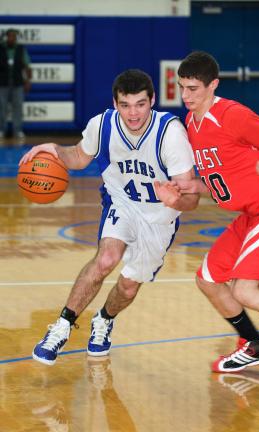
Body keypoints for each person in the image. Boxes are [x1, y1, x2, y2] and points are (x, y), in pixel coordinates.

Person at [19, 69, 198, 366]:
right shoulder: (102, 125)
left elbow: (192, 199)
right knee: (106, 259)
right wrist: (54, 150)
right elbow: (78, 156)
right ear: (115, 103)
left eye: (140, 104)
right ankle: (62, 326)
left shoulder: (171, 134)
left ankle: (104, 320)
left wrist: (176, 199)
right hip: (122, 202)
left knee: (128, 285)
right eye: (125, 105)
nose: (133, 113)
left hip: (160, 217)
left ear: (152, 100)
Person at [154, 51, 259, 373]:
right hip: (251, 215)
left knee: (244, 289)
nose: (186, 96)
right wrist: (187, 188)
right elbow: (220, 180)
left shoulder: (232, 114)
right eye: (182, 88)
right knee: (208, 279)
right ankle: (252, 343)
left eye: (193, 89)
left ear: (213, 85)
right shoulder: (192, 123)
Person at [0, 28, 31, 141]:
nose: (12, 38)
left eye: (14, 36)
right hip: (2, 84)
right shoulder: (1, 49)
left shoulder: (21, 49)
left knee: (17, 108)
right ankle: (1, 130)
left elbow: (27, 66)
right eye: (10, 36)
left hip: (18, 84)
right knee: (1, 108)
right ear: (6, 37)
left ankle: (17, 130)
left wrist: (27, 81)